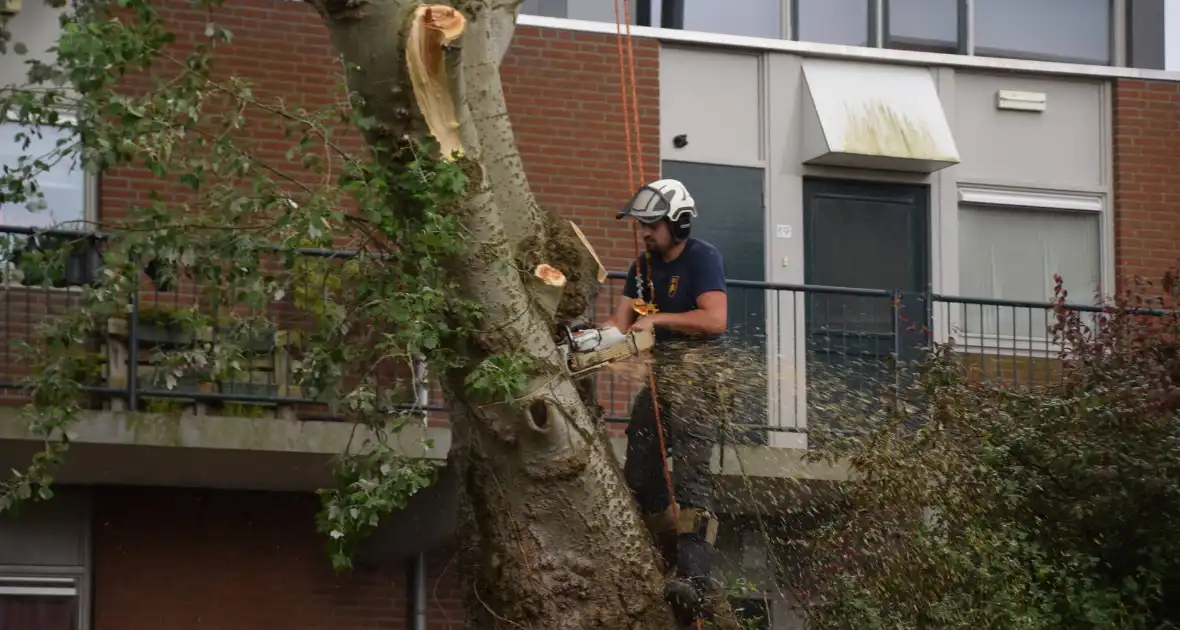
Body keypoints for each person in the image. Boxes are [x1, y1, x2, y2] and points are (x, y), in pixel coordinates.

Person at [603, 178, 728, 624]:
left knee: (692, 480)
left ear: (679, 223)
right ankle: (662, 550)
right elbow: (621, 328)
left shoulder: (703, 258)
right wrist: (590, 346)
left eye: (652, 225)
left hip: (697, 376)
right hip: (659, 378)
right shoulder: (642, 266)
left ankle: (694, 580)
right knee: (639, 469)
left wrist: (657, 320)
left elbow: (715, 319)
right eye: (642, 226)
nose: (645, 233)